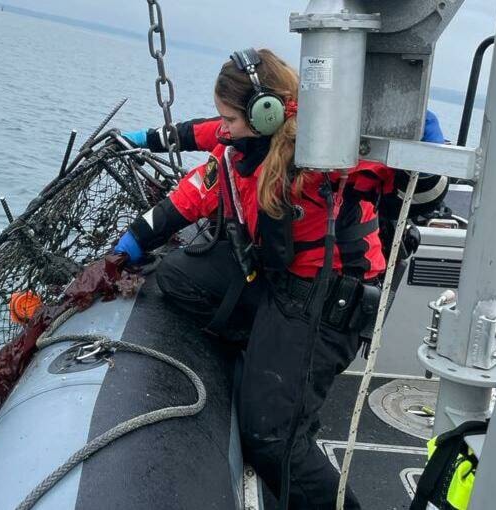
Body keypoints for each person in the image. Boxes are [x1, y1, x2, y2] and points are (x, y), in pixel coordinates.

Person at [114, 48, 447, 509]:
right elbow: (194, 156)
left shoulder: (327, 150)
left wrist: (420, 138)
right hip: (281, 285)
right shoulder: (244, 142)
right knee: (177, 277)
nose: (223, 127)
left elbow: (424, 194)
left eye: (230, 118)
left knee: (270, 441)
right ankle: (263, 354)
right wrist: (126, 240)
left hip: (328, 306)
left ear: (264, 112)